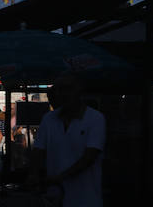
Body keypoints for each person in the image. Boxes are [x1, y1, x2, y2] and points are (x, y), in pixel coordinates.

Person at [31, 75, 105, 207]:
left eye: (67, 89)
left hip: (86, 198)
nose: (63, 94)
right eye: (59, 90)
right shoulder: (49, 119)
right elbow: (39, 151)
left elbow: (89, 157)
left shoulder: (95, 119)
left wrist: (59, 178)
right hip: (55, 198)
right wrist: (35, 173)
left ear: (79, 91)